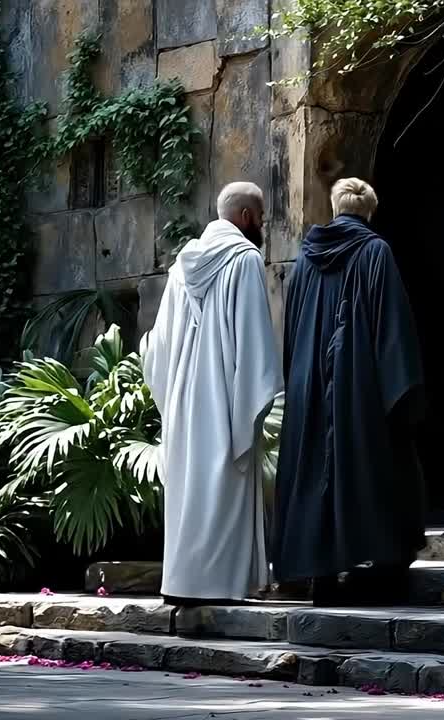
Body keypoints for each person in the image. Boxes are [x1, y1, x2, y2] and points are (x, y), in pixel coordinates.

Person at [271, 177, 426, 606]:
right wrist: (400, 392)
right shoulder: (375, 252)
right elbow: (391, 328)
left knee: (313, 470)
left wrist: (299, 378)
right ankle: (378, 571)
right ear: (370, 212)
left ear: (335, 209)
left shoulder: (305, 259)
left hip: (309, 386)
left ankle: (320, 572)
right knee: (371, 469)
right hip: (359, 388)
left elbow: (292, 330)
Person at [142, 181, 284, 607]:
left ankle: (184, 582)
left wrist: (173, 394)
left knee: (190, 488)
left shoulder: (181, 267)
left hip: (185, 396)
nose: (261, 226)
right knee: (224, 484)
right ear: (244, 217)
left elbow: (159, 347)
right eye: (259, 218)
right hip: (224, 396)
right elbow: (254, 339)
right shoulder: (244, 259)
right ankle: (221, 585)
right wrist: (254, 396)